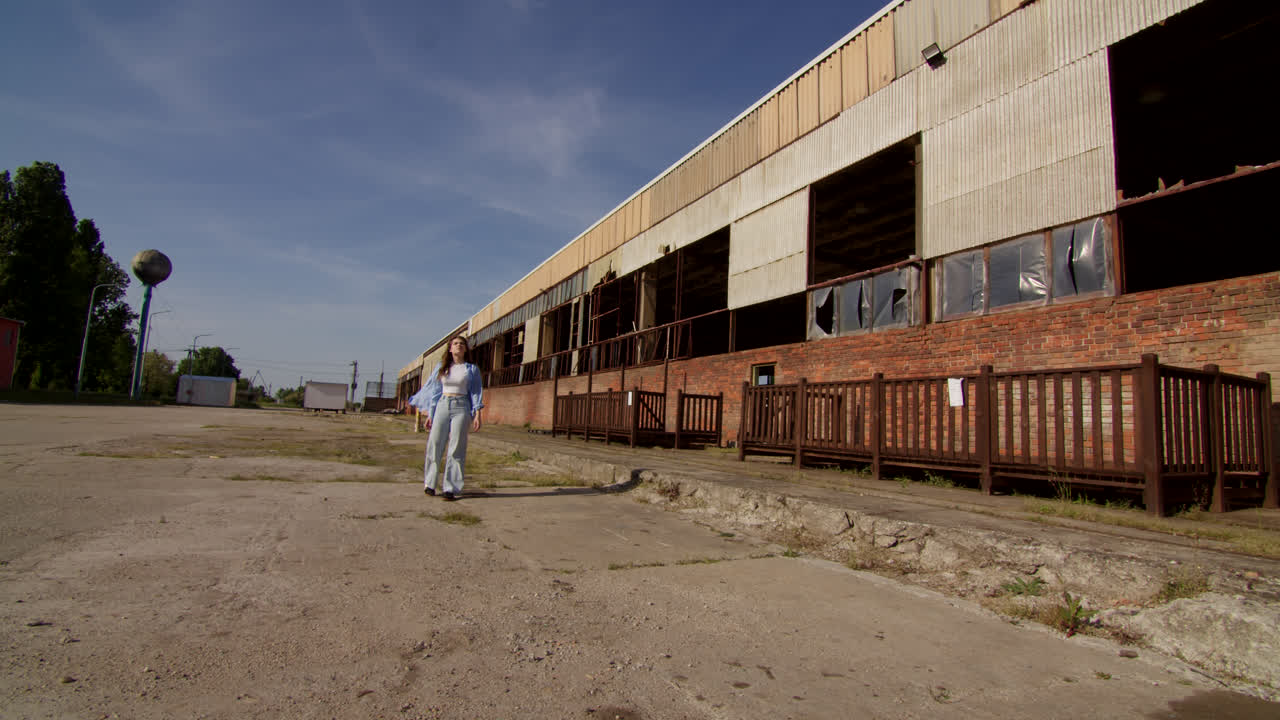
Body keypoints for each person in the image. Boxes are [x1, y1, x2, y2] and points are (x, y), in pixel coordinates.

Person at [407, 335, 483, 501]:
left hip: (461, 406)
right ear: (450, 348)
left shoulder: (471, 369)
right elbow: (435, 392)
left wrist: (477, 414)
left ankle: (451, 487)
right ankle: (430, 484)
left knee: (456, 448)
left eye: (462, 344)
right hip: (442, 405)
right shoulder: (442, 367)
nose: (458, 346)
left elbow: (476, 392)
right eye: (455, 343)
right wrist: (431, 414)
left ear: (466, 349)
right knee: (435, 444)